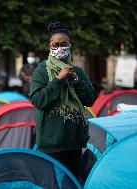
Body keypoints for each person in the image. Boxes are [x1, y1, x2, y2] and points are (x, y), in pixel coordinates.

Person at [29, 21, 97, 181]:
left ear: (70, 45)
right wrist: (58, 80)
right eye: (56, 44)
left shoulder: (77, 71)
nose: (60, 48)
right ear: (50, 46)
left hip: (74, 141)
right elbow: (38, 100)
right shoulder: (41, 71)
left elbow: (90, 99)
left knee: (71, 182)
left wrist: (76, 80)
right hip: (50, 142)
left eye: (63, 44)